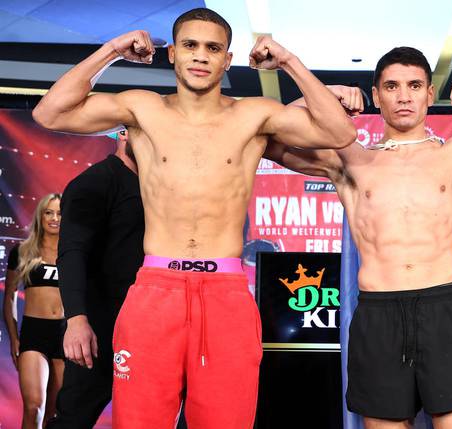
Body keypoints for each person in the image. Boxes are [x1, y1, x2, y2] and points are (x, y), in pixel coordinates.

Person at [32, 7, 356, 428]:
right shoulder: (142, 109)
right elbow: (50, 113)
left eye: (213, 48)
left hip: (225, 294)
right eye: (190, 45)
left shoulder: (254, 115)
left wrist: (289, 61)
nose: (201, 56)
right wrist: (112, 50)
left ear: (227, 59)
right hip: (155, 290)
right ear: (173, 54)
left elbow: (339, 133)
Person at [264, 46, 452, 428]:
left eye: (414, 85)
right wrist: (326, 95)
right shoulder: (350, 159)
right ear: (376, 96)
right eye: (392, 86)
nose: (404, 96)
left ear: (430, 93)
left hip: (444, 310)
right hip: (378, 314)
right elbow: (271, 138)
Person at [45, 130, 147, 428]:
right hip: (98, 325)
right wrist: (77, 320)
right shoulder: (94, 182)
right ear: (123, 133)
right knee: (74, 419)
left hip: (148, 323)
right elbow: (71, 253)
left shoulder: (158, 187)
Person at [2, 193, 64, 428]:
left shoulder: (73, 254)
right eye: (49, 212)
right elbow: (9, 297)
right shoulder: (23, 251)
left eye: (60, 213)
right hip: (34, 334)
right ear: (41, 216)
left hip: (65, 336)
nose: (54, 218)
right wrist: (14, 338)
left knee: (55, 414)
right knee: (34, 407)